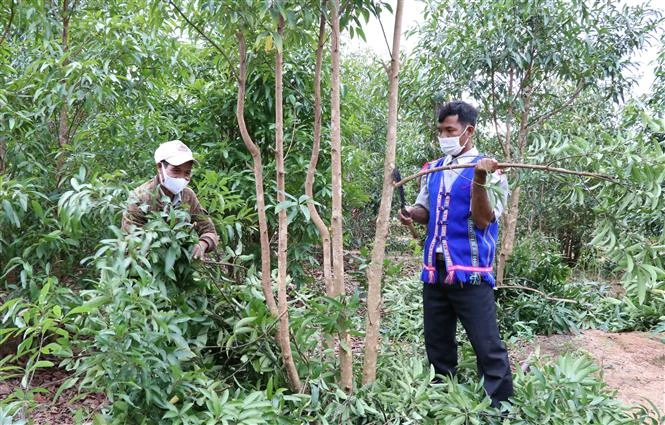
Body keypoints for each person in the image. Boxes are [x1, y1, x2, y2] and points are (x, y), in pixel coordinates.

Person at [398, 101, 513, 408]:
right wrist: (410, 213)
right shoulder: (434, 169)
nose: (444, 136)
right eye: (440, 131)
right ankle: (442, 396)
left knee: (486, 344)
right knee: (437, 341)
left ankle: (500, 406)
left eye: (450, 130)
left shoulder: (492, 171)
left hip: (470, 272)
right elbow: (426, 210)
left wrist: (479, 178)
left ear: (468, 131)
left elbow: (484, 219)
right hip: (435, 270)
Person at [121, 140, 219, 259]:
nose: (182, 177)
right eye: (176, 170)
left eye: (187, 172)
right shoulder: (140, 198)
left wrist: (203, 244)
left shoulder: (188, 196)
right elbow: (131, 244)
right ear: (159, 167)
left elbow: (209, 231)